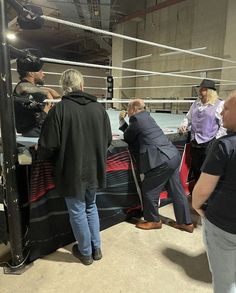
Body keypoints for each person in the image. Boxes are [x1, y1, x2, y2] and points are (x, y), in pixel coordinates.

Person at [37, 69, 112, 265]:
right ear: (82, 86)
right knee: (91, 206)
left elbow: (48, 146)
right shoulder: (99, 109)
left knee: (77, 211)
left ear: (64, 88)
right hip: (95, 169)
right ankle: (96, 249)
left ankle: (85, 252)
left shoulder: (59, 110)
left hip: (71, 171)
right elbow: (108, 140)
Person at [119, 99, 193, 232]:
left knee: (149, 191)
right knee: (177, 191)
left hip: (160, 160)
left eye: (129, 109)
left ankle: (153, 220)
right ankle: (186, 223)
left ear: (134, 109)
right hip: (173, 155)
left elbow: (128, 137)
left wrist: (121, 121)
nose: (128, 112)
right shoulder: (148, 116)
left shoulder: (135, 119)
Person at [192, 92, 236, 293]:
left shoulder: (225, 145)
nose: (222, 112)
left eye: (227, 108)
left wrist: (197, 206)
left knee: (224, 281)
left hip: (225, 225)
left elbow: (202, 191)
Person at [179, 79, 226, 182]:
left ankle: (208, 195)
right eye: (200, 89)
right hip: (195, 141)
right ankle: (197, 193)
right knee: (196, 169)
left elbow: (223, 125)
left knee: (207, 171)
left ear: (210, 91)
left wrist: (216, 139)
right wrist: (184, 124)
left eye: (203, 90)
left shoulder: (219, 104)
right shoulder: (196, 103)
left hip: (209, 142)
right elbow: (188, 117)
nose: (200, 92)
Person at [13, 57, 60, 137]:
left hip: (39, 129)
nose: (43, 74)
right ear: (31, 73)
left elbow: (57, 96)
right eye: (40, 71)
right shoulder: (21, 86)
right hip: (32, 131)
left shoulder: (35, 90)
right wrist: (46, 92)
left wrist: (49, 91)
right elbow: (24, 87)